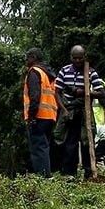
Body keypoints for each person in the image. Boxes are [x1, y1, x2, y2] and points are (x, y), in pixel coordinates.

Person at [54, 45, 105, 178]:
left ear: (84, 57)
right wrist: (63, 110)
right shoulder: (64, 71)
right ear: (71, 58)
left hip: (84, 110)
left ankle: (89, 172)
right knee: (70, 142)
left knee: (87, 141)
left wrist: (86, 93)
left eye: (80, 58)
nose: (78, 61)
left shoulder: (90, 72)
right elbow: (57, 92)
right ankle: (69, 173)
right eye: (75, 58)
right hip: (70, 110)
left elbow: (101, 93)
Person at [23, 48, 59, 177]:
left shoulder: (34, 72)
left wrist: (32, 116)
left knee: (38, 148)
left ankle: (42, 177)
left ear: (33, 58)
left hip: (38, 116)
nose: (26, 61)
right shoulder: (48, 74)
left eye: (27, 58)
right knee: (44, 147)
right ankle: (46, 175)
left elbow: (34, 96)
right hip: (50, 116)